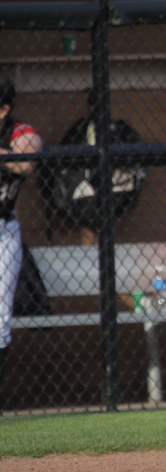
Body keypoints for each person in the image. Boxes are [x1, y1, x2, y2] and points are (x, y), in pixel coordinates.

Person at [0, 75, 43, 408]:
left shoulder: (18, 131)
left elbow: (27, 160)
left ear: (3, 109)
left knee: (0, 319)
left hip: (3, 233)